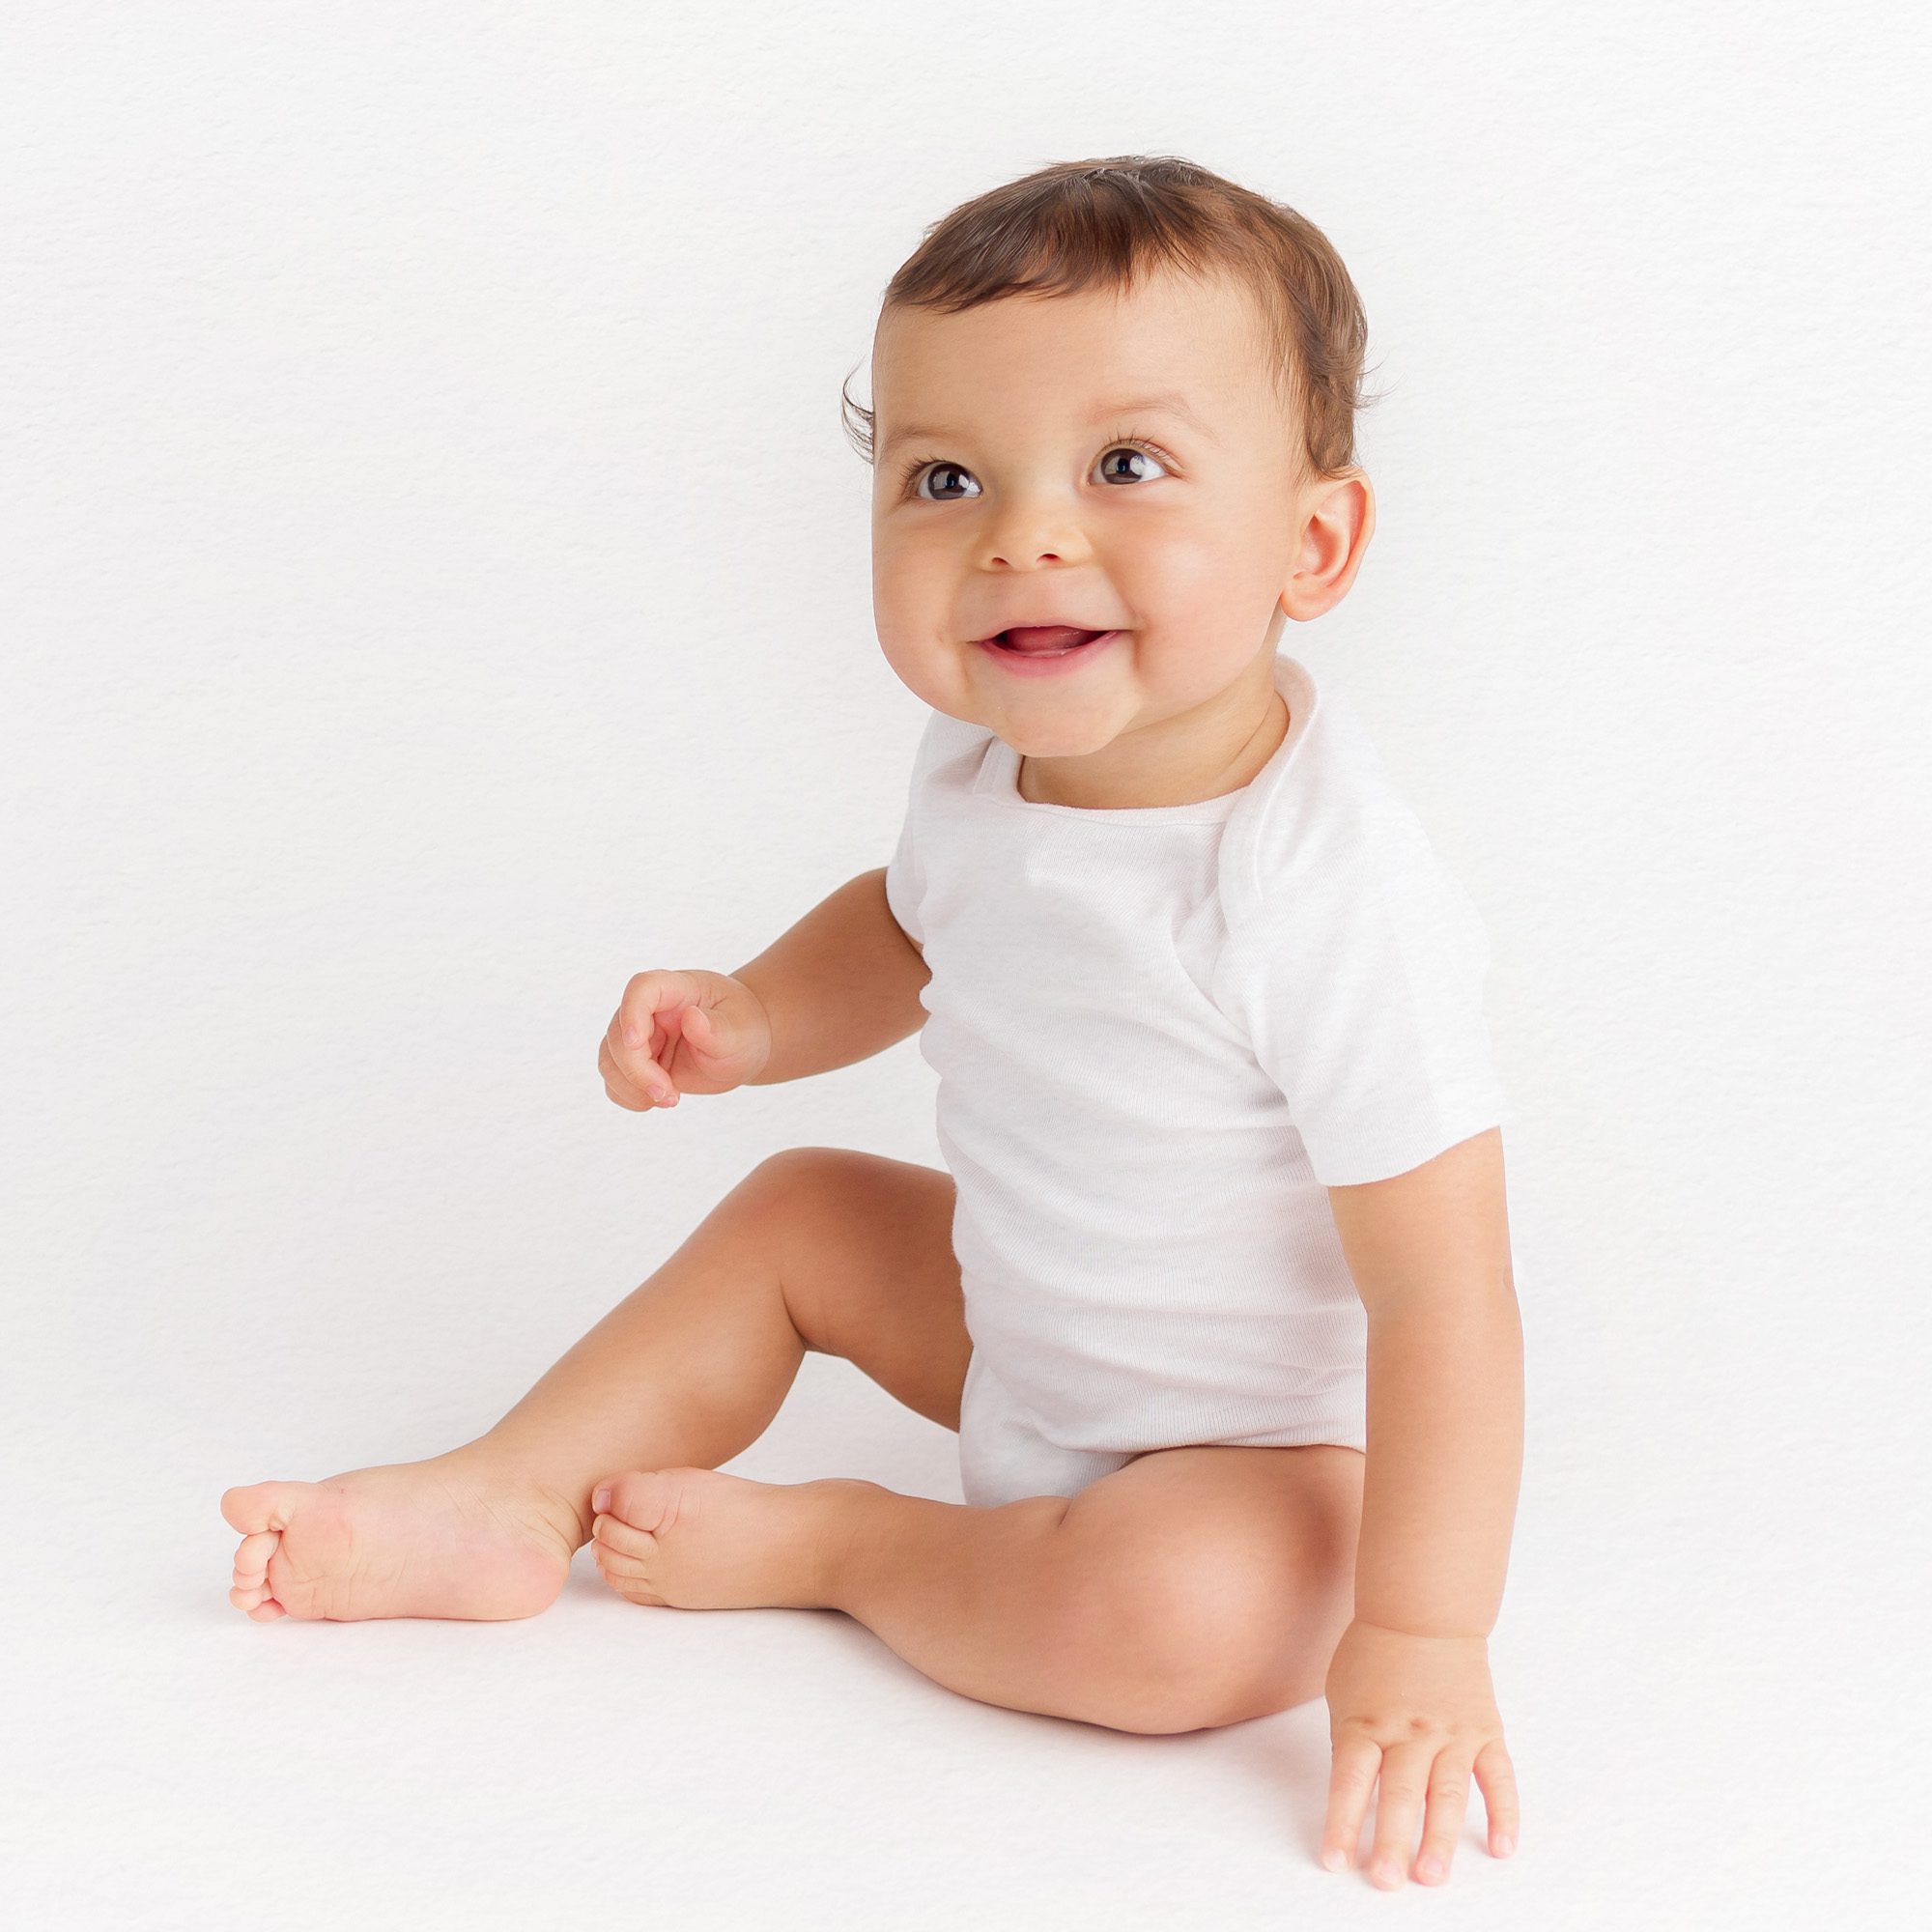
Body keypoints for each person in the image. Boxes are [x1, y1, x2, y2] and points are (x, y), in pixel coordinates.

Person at [219, 155, 1523, 1891]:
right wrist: (759, 1011)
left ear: (1315, 539)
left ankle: (852, 1548)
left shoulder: (1322, 892)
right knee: (805, 1212)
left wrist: (1425, 1637)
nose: (1024, 533)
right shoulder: (986, 763)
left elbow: (1445, 1297)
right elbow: (920, 919)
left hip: (1260, 1448)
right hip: (1016, 1327)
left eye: (1126, 465)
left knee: (1183, 1625)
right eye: (945, 476)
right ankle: (507, 1493)